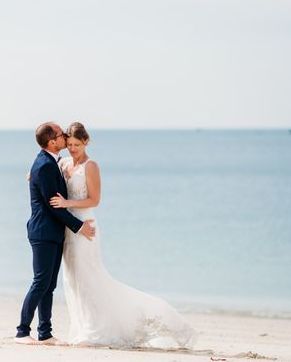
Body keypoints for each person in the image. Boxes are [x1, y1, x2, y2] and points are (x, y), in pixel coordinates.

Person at [50, 122, 197, 349]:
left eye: (77, 144)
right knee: (72, 280)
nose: (72, 149)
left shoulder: (91, 166)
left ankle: (94, 331)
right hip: (69, 229)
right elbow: (46, 169)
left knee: (90, 279)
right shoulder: (63, 162)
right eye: (69, 144)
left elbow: (95, 200)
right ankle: (80, 328)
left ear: (86, 142)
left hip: (86, 228)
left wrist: (67, 203)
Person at [15, 122, 96, 345]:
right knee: (41, 282)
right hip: (43, 232)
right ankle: (22, 331)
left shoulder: (51, 162)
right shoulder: (44, 166)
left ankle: (45, 333)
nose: (65, 138)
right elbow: (54, 205)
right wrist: (80, 227)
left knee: (49, 286)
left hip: (53, 233)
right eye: (61, 135)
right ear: (53, 142)